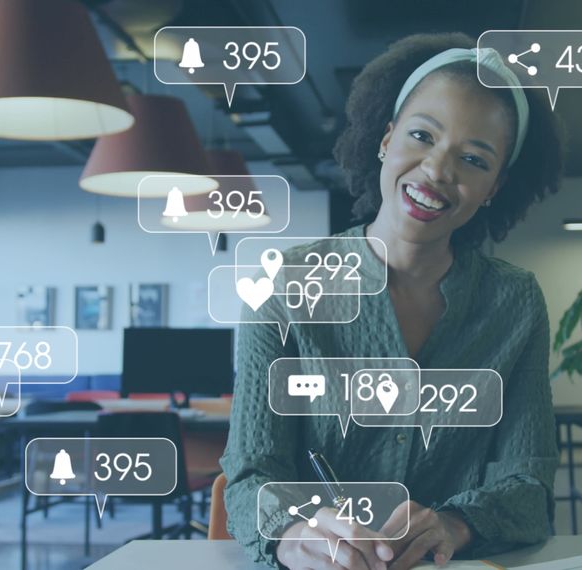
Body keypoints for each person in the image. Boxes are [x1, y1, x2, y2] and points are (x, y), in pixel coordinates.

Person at [221, 32, 563, 570]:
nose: (438, 171)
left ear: (494, 188)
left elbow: (529, 487)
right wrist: (295, 535)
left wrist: (453, 524)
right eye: (422, 135)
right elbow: (249, 478)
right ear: (386, 139)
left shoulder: (515, 303)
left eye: (473, 159)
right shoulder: (283, 286)